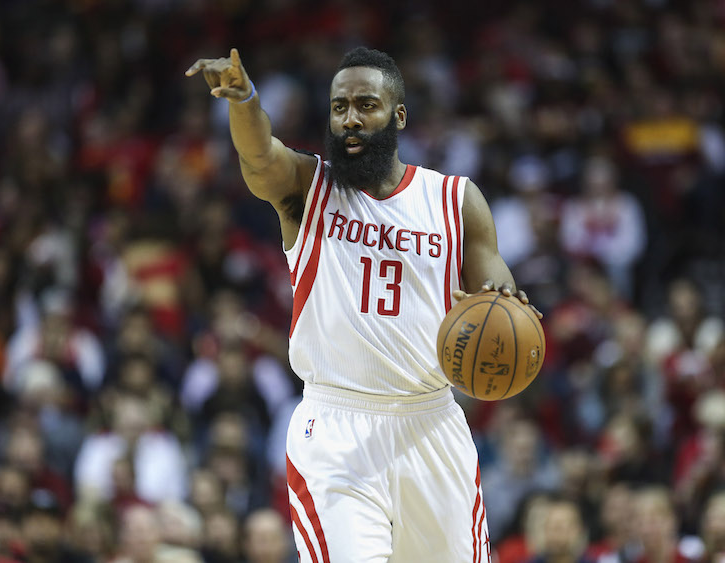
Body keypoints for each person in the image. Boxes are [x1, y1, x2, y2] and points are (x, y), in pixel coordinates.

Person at [186, 46, 541, 562]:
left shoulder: (455, 199)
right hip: (337, 429)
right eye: (339, 107)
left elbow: (494, 286)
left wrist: (503, 302)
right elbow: (260, 156)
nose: (350, 118)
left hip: (431, 422)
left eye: (366, 105)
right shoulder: (308, 187)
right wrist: (244, 102)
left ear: (399, 115)